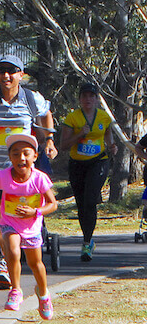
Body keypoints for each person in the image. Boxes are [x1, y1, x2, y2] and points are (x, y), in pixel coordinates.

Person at [0, 54, 57, 289]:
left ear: (21, 75)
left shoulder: (31, 99)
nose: (6, 75)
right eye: (2, 70)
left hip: (25, 174)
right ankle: (5, 261)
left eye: (12, 71)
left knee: (29, 212)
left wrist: (49, 139)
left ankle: (28, 247)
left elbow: (46, 112)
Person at [0, 134, 57, 320]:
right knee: (13, 251)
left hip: (32, 226)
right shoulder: (3, 176)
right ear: (10, 158)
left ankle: (43, 295)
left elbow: (53, 204)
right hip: (9, 223)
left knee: (36, 264)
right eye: (16, 154)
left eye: (26, 153)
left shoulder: (39, 179)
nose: (21, 158)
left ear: (35, 156)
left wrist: (35, 212)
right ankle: (16, 291)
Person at [60, 83, 117, 261]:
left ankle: (86, 242)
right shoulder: (73, 118)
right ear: (80, 99)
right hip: (77, 164)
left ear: (96, 99)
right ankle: (88, 239)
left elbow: (107, 133)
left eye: (91, 96)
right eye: (84, 96)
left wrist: (111, 145)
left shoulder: (103, 117)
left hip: (98, 161)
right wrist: (80, 134)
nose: (88, 99)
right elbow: (63, 146)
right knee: (82, 204)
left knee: (90, 201)